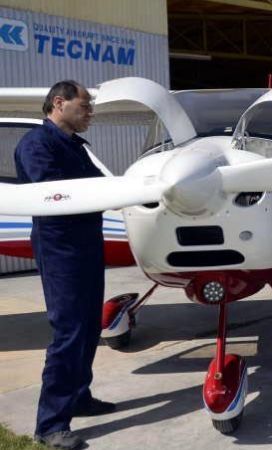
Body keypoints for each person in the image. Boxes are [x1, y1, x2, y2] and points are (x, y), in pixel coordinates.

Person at [15, 80, 116, 450]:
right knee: (69, 332)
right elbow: (53, 192)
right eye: (84, 105)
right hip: (61, 250)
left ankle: (79, 396)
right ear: (59, 103)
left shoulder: (74, 145)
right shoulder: (36, 144)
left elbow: (99, 186)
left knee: (90, 327)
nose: (90, 112)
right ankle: (50, 424)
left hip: (86, 246)